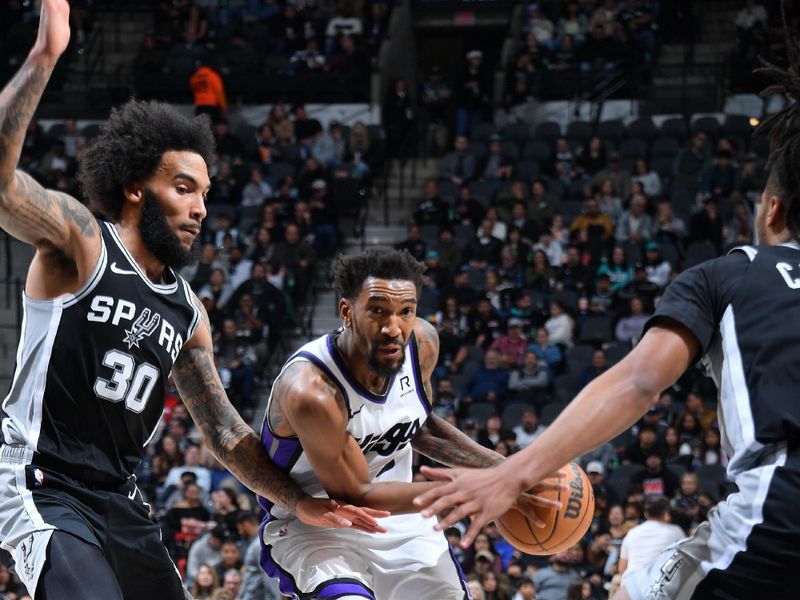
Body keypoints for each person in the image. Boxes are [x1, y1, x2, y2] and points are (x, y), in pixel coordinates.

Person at [0, 4, 386, 598]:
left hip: (118, 495)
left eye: (205, 194)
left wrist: (299, 501)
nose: (200, 209)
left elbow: (226, 433)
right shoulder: (79, 243)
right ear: (134, 186)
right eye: (183, 189)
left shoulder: (188, 312)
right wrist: (44, 56)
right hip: (40, 480)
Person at [414, 39, 800, 597]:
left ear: (772, 207)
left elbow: (640, 380)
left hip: (783, 506)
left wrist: (514, 473)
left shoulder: (731, 274)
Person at [257, 246, 560, 599]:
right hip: (317, 527)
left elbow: (422, 426)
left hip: (401, 520)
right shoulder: (312, 390)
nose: (393, 328)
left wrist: (510, 471)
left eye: (406, 312)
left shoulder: (421, 344)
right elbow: (357, 493)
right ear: (346, 312)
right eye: (378, 311)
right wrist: (479, 487)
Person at [618, 496, 686, 582]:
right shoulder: (676, 531)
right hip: (659, 588)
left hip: (631, 587)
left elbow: (621, 569)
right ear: (666, 514)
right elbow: (685, 563)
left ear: (645, 514)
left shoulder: (632, 533)